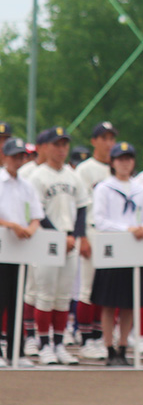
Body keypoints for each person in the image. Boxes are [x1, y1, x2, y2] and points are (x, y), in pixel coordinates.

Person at [29, 126, 91, 366]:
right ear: (46, 147)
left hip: (69, 240)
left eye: (64, 144)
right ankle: (43, 344)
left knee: (63, 296)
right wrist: (59, 236)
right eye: (57, 144)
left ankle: (58, 343)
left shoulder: (73, 175)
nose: (61, 149)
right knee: (45, 295)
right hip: (45, 239)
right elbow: (37, 211)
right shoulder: (38, 175)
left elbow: (83, 207)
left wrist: (76, 235)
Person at [90, 142, 143, 367]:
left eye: (128, 159)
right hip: (113, 249)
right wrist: (126, 229)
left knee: (130, 303)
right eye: (120, 159)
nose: (125, 163)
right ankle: (109, 348)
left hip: (135, 250)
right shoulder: (104, 188)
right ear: (112, 162)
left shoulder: (141, 189)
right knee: (109, 303)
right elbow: (100, 220)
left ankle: (123, 346)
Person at [73, 121, 117, 360]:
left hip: (111, 234)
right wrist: (81, 237)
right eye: (104, 138)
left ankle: (99, 336)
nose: (108, 143)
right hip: (91, 230)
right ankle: (86, 338)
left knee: (106, 288)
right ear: (94, 141)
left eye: (111, 138)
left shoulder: (116, 166)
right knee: (88, 288)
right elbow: (78, 206)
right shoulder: (85, 169)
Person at [0, 137, 44, 368]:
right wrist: (12, 226)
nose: (18, 160)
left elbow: (36, 214)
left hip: (20, 248)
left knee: (18, 299)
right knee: (1, 300)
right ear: (5, 156)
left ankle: (17, 350)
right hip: (2, 246)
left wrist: (30, 228)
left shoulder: (27, 185)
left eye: (22, 156)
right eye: (14, 156)